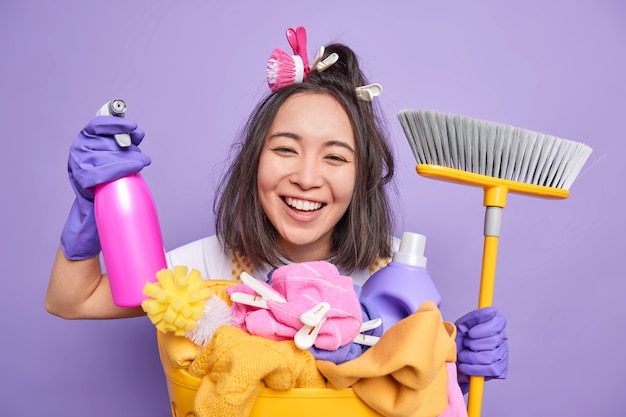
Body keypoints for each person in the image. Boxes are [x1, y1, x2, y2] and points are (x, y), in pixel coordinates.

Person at [45, 28, 508, 393]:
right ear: (254, 161)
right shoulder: (203, 269)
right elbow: (72, 301)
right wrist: (92, 210)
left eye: (335, 157)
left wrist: (451, 372)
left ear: (361, 178)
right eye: (286, 149)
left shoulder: (395, 275)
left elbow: (406, 394)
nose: (307, 177)